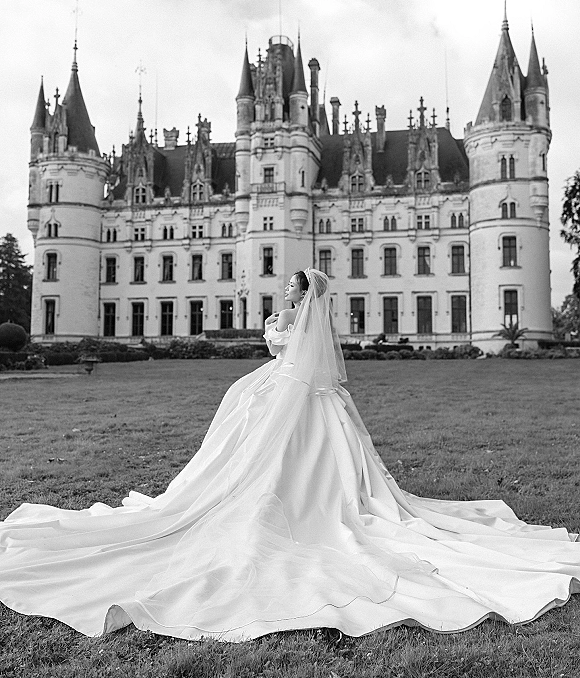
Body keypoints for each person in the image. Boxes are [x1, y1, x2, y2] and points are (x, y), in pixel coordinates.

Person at [0, 268, 579, 641]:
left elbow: (294, 352)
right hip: (294, 390)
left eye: (291, 289)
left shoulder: (296, 323)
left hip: (287, 390)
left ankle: (296, 505)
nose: (284, 292)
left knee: (274, 457)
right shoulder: (297, 322)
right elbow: (296, 351)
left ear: (305, 296)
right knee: (301, 458)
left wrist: (276, 329)